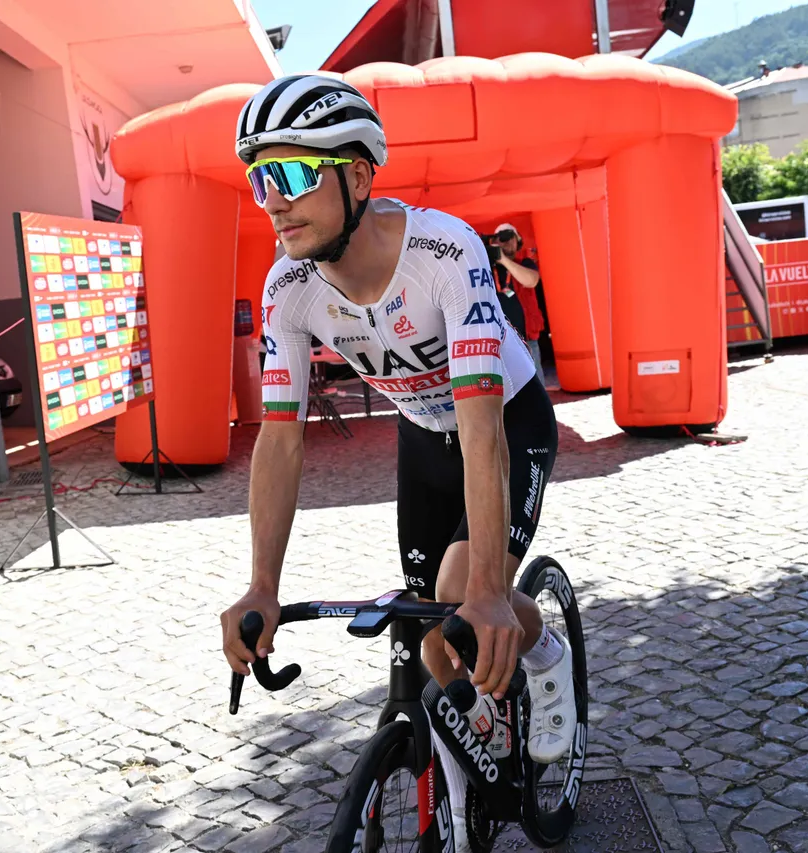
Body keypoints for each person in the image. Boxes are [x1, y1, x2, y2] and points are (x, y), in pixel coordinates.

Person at [219, 75, 576, 765]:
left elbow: (480, 430)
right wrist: (263, 583)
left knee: (460, 595)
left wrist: (487, 594)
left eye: (292, 174)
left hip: (505, 419)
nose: (275, 203)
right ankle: (476, 748)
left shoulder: (444, 253)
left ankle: (546, 652)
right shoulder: (287, 287)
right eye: (261, 182)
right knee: (427, 634)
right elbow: (281, 438)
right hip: (421, 432)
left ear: (356, 175)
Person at [489, 223, 548, 386]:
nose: (505, 242)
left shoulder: (525, 263)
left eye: (509, 237)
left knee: (537, 386)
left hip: (526, 339)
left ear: (518, 241)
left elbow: (531, 281)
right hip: (500, 343)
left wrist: (503, 259)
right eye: (501, 238)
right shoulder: (487, 268)